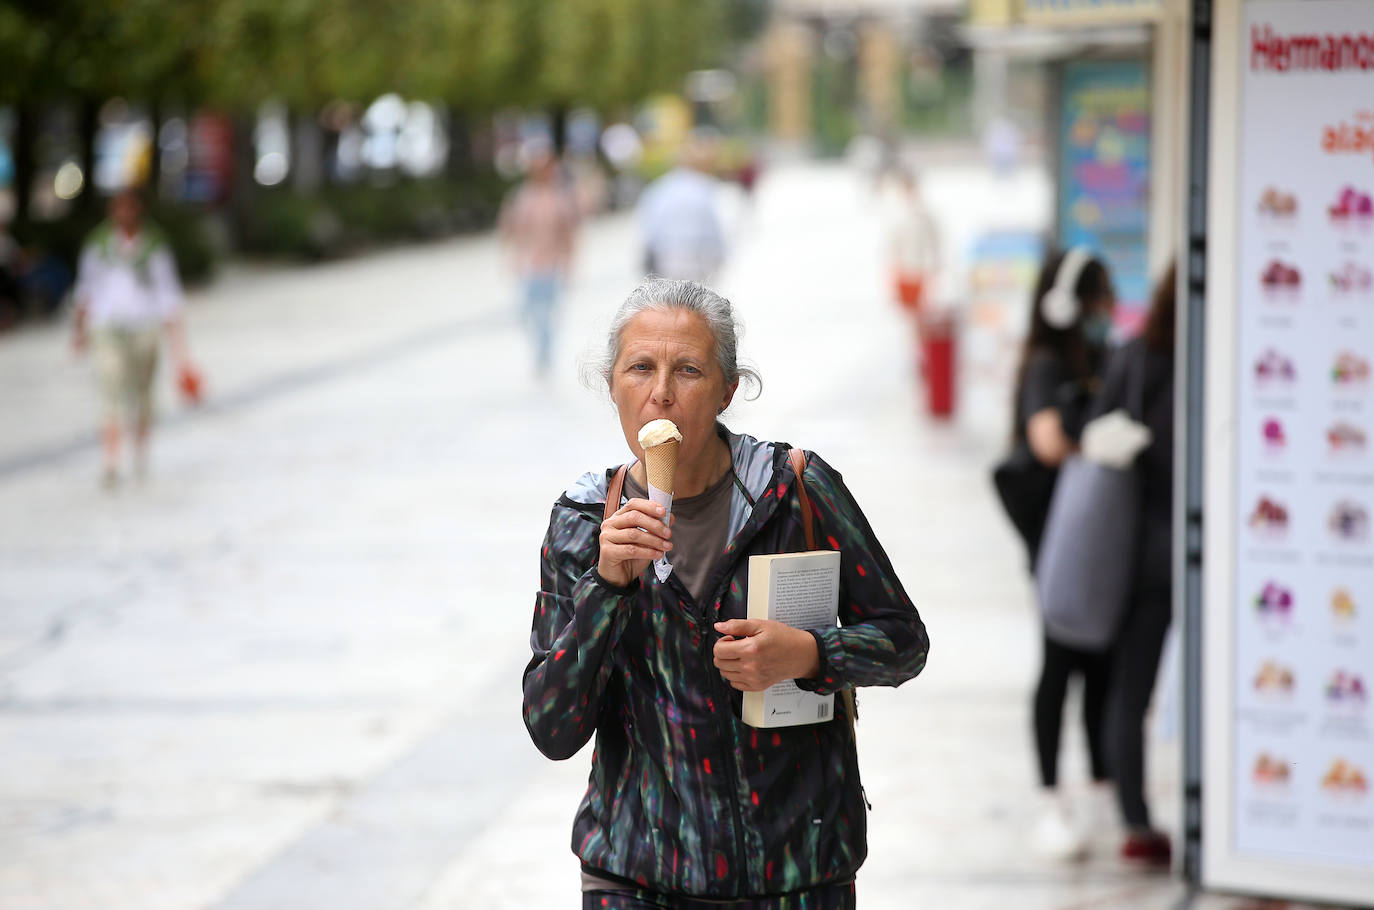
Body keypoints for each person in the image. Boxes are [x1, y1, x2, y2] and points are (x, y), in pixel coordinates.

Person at [522, 278, 930, 908]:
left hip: (797, 874)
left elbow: (905, 642)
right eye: (640, 368)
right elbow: (551, 728)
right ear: (612, 386)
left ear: (727, 390)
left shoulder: (795, 491)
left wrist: (811, 655)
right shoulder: (582, 521)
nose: (661, 393)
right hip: (638, 875)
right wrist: (606, 588)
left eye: (688, 370)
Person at [1009, 247, 1117, 859]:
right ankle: (1052, 796)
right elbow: (1046, 441)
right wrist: (1096, 441)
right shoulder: (1048, 364)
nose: (1108, 310)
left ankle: (1102, 788)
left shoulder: (1093, 356)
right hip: (1058, 540)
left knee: (1098, 660)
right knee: (1060, 662)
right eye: (1099, 298)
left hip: (1093, 536)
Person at [1090, 262, 1176, 866]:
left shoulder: (1136, 354)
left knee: (1131, 688)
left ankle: (1136, 820)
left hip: (1137, 545)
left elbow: (1100, 433)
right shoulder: (1212, 359)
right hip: (1190, 548)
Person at [71, 188, 193, 489]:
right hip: (107, 328)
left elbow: (168, 295)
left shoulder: (154, 245)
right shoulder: (98, 244)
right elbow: (85, 289)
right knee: (109, 391)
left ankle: (139, 454)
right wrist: (79, 330)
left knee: (142, 395)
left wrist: (180, 352)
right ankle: (111, 462)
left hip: (144, 327)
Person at [499, 147, 580, 376]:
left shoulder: (560, 199)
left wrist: (570, 265)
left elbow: (569, 235)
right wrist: (510, 256)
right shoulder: (521, 196)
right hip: (527, 265)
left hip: (551, 265)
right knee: (525, 313)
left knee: (546, 314)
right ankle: (540, 349)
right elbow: (509, 227)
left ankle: (544, 355)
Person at [637, 137, 726, 282]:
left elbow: (649, 230)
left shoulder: (658, 188)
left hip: (663, 261)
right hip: (697, 262)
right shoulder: (705, 188)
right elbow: (715, 231)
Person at [880, 168, 940, 311]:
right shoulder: (895, 212)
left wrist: (934, 263)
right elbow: (891, 242)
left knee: (919, 309)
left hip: (920, 269)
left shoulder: (925, 214)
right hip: (902, 269)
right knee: (904, 310)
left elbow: (934, 241)